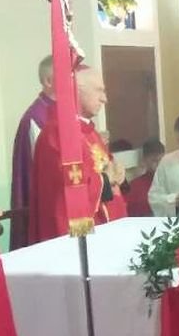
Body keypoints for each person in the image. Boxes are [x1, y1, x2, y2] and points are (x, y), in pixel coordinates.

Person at [28, 66, 127, 244]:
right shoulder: (58, 134)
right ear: (76, 90)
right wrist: (105, 180)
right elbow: (68, 189)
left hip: (107, 229)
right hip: (79, 233)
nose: (104, 99)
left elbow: (105, 167)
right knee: (85, 257)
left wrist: (118, 172)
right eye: (99, 90)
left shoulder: (89, 131)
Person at [9, 56, 56, 249]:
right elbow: (45, 169)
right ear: (48, 81)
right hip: (47, 206)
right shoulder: (36, 118)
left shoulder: (64, 112)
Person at [125, 139, 164, 217]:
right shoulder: (135, 186)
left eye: (161, 160)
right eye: (154, 161)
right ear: (144, 161)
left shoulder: (171, 181)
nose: (159, 165)